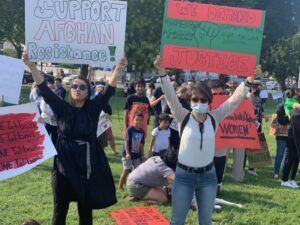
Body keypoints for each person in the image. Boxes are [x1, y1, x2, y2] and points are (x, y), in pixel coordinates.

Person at [23, 52, 127, 225]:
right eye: (74, 86)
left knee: (85, 213)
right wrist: (31, 65)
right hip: (63, 166)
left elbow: (108, 91)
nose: (77, 89)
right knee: (59, 211)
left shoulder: (93, 109)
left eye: (82, 87)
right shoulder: (62, 108)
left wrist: (118, 69)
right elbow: (44, 89)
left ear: (88, 92)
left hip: (86, 167)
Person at [154, 55, 258, 225]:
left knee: (206, 221)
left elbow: (233, 101)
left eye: (203, 99)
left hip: (208, 177)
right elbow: (170, 96)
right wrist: (161, 72)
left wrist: (248, 81)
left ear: (209, 101)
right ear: (190, 100)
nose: (199, 102)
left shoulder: (214, 117)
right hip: (184, 176)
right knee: (177, 220)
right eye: (195, 99)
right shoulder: (183, 116)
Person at [207, 79, 228, 194]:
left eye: (221, 94)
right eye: (215, 94)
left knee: (219, 165)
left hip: (221, 148)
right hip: (206, 147)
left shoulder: (227, 105)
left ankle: (218, 185)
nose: (218, 97)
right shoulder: (201, 106)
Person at [118, 112, 145, 189]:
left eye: (140, 120)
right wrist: (127, 153)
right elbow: (126, 142)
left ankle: (134, 187)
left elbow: (141, 145)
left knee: (137, 171)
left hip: (136, 156)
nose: (138, 122)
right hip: (127, 155)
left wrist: (142, 156)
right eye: (137, 120)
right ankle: (120, 187)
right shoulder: (129, 130)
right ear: (133, 120)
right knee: (126, 170)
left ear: (143, 121)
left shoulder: (142, 132)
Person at [281, 84, 300, 188]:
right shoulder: (290, 101)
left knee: (297, 157)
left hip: (299, 131)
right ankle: (284, 180)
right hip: (292, 131)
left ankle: (291, 179)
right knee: (290, 156)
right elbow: (298, 107)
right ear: (294, 91)